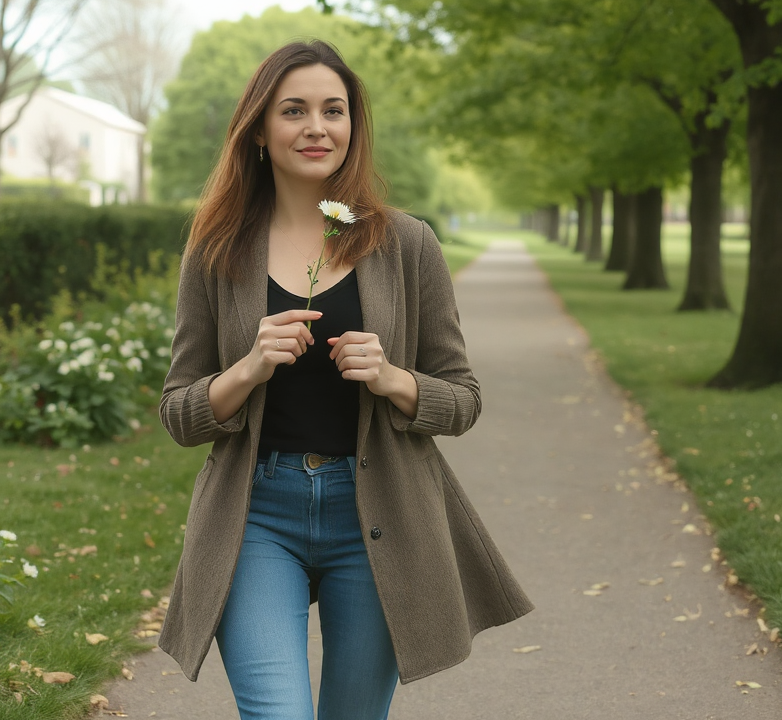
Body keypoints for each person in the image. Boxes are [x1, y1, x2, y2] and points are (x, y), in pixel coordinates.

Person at [158, 40, 532, 720]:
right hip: (256, 515)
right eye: (293, 110)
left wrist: (392, 378)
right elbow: (179, 413)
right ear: (260, 132)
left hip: (379, 511)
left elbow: (463, 400)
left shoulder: (405, 243)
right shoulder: (217, 250)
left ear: (353, 128)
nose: (316, 127)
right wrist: (247, 367)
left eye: (334, 110)